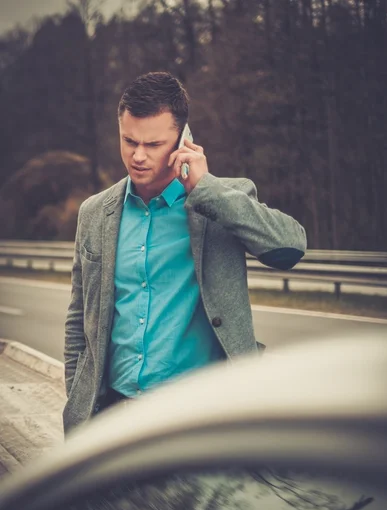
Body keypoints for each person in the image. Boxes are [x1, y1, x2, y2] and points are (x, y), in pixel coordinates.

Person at [63, 71, 307, 434]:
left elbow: (291, 246)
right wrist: (78, 398)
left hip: (203, 418)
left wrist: (206, 189)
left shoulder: (221, 202)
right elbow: (77, 322)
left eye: (154, 144)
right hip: (114, 418)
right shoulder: (95, 213)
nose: (138, 155)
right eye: (129, 141)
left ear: (183, 140)